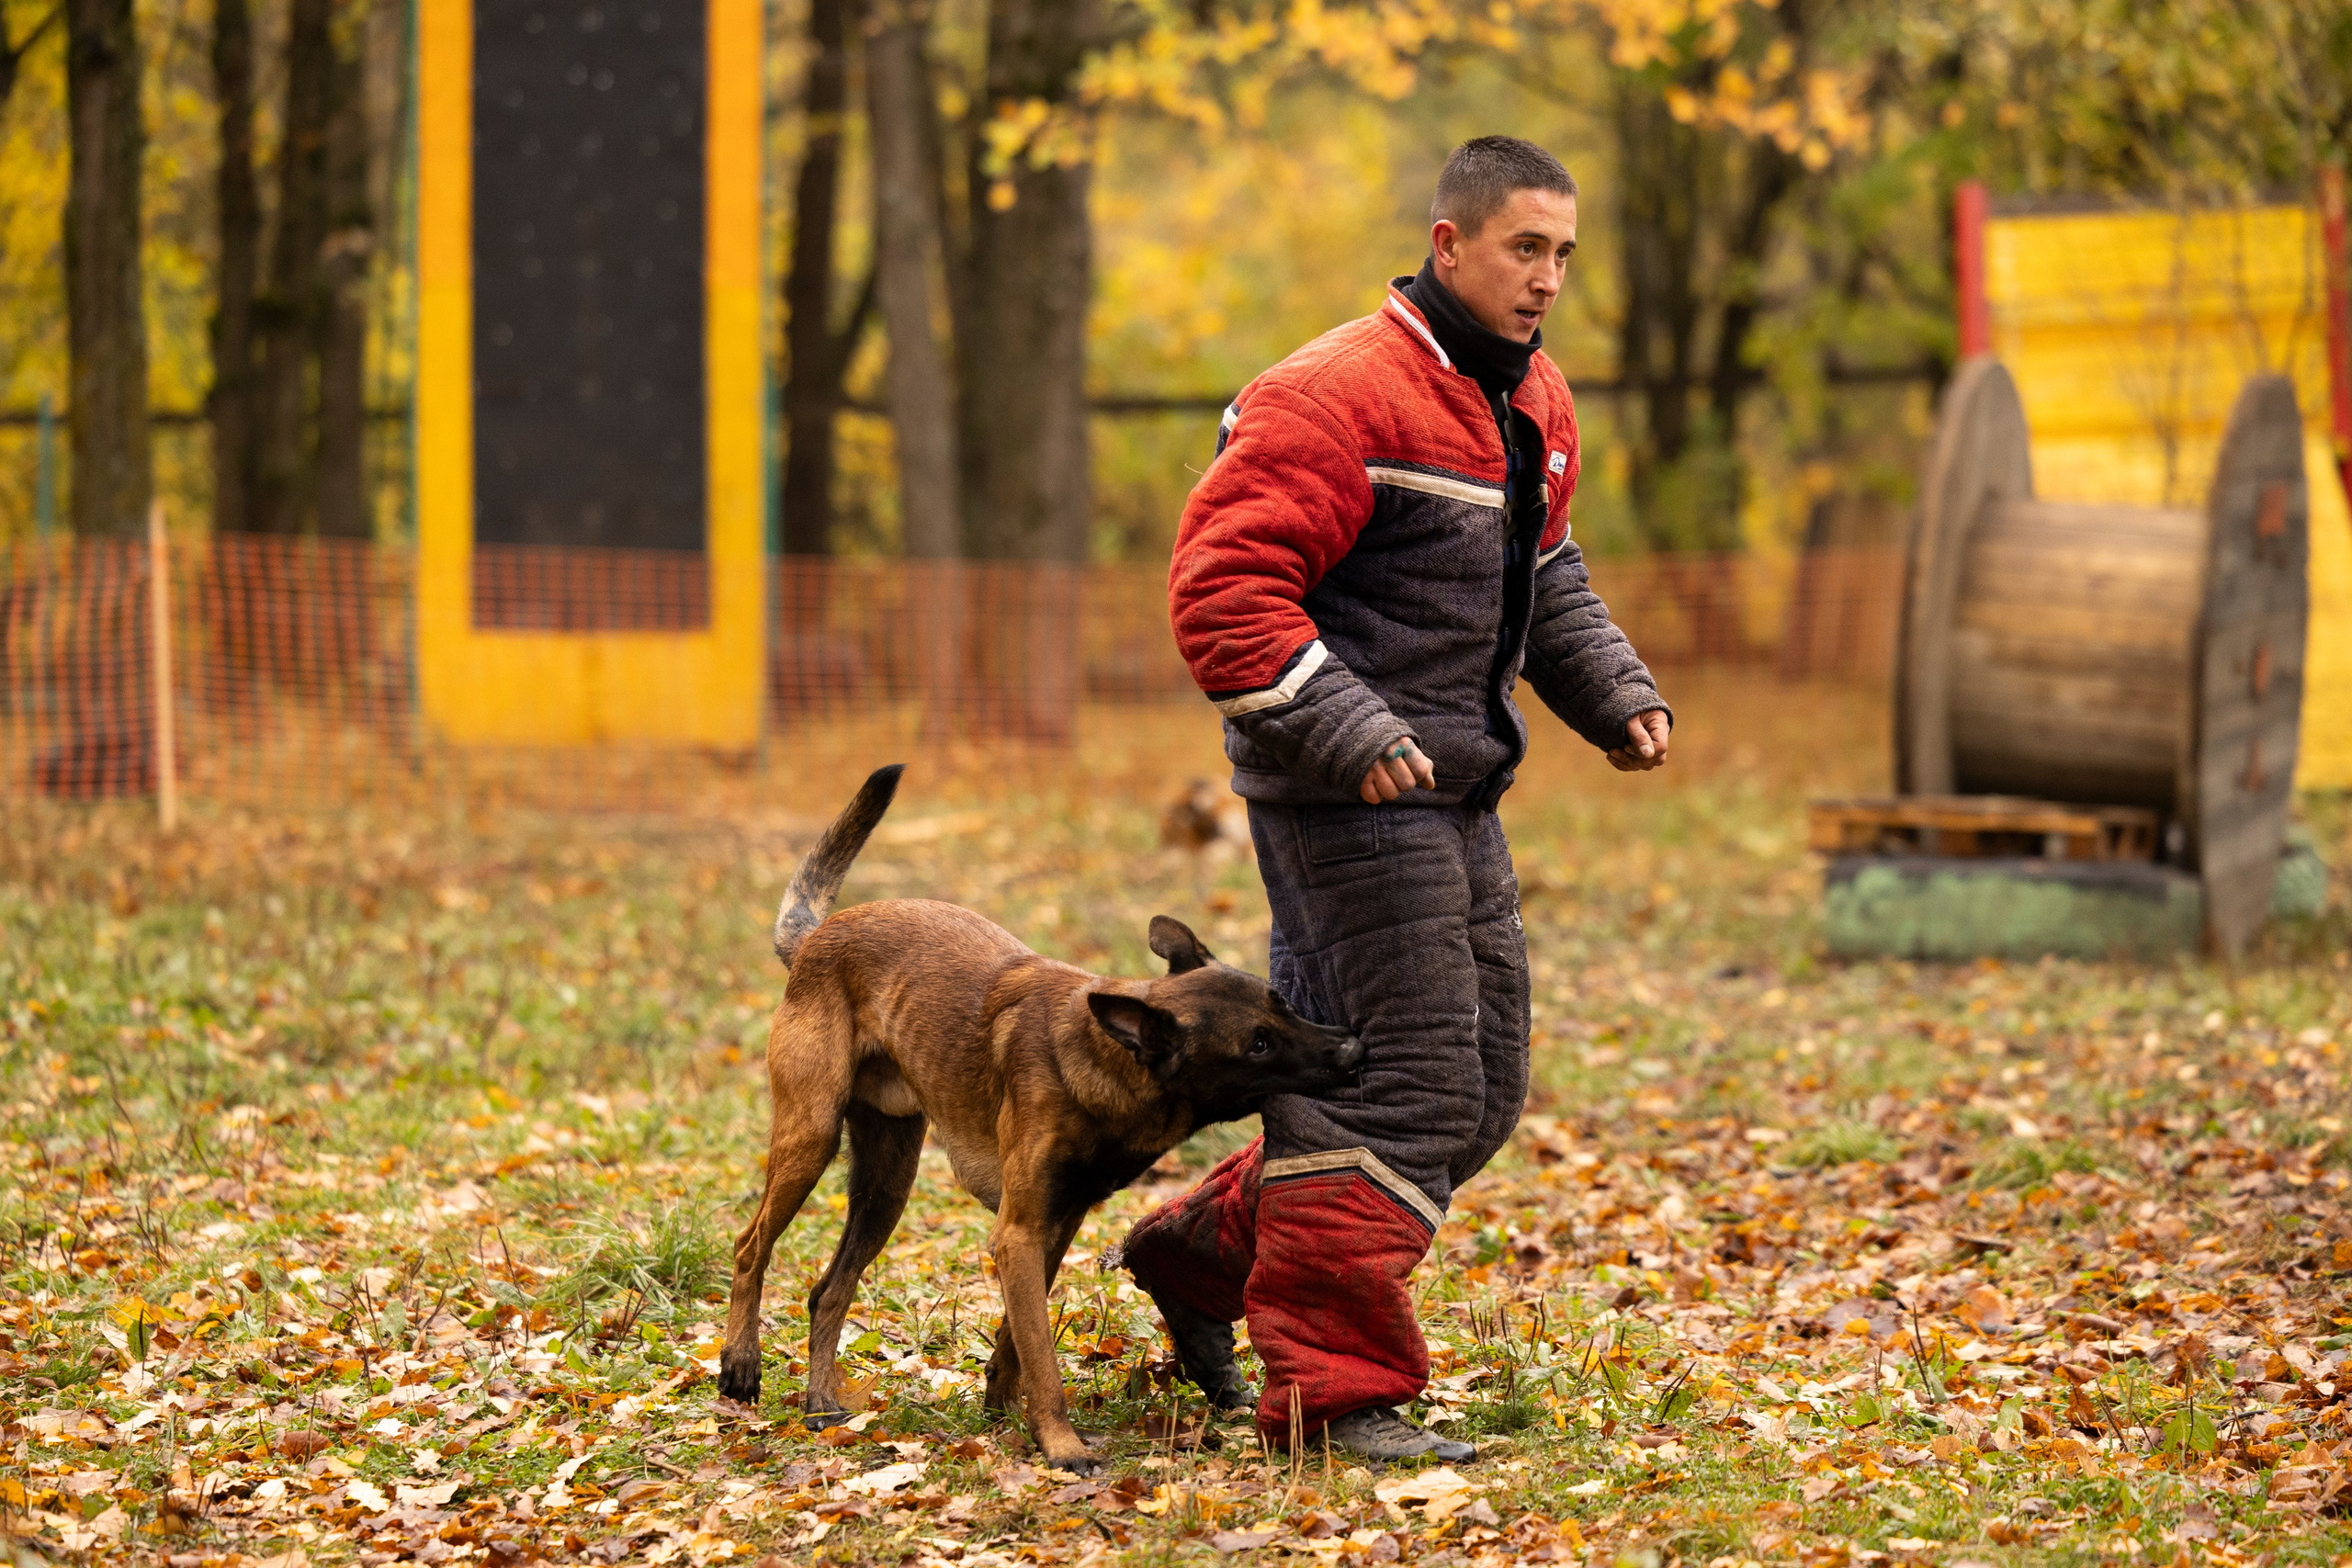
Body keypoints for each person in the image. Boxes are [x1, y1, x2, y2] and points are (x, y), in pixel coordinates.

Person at [1122, 136, 1673, 1463]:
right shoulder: (1331, 397)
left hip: (1453, 793)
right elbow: (1224, 592)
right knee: (1403, 1084)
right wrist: (1348, 726)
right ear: (1448, 244)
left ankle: (1198, 1259)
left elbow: (1546, 574)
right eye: (1524, 248)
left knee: (1479, 1091)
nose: (1547, 278)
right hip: (1343, 798)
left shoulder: (1533, 399)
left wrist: (1616, 693)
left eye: (1563, 254)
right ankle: (1332, 1398)